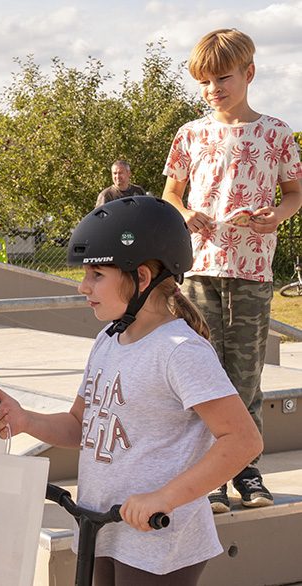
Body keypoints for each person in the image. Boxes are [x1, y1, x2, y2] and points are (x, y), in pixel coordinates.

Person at [0, 197, 262, 585]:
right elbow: (80, 426)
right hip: (104, 529)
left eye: (97, 274)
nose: (83, 286)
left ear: (143, 278)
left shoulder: (179, 352)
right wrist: (26, 420)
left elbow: (243, 440)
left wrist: (164, 498)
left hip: (159, 539)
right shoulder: (108, 339)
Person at [161, 28, 302, 513]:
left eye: (222, 78)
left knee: (244, 374)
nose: (212, 89)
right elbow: (171, 194)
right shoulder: (191, 133)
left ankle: (246, 469)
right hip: (200, 270)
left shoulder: (276, 133)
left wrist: (277, 216)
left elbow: (295, 193)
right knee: (205, 373)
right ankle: (210, 475)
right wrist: (184, 213)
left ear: (249, 73)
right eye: (203, 82)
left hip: (252, 272)